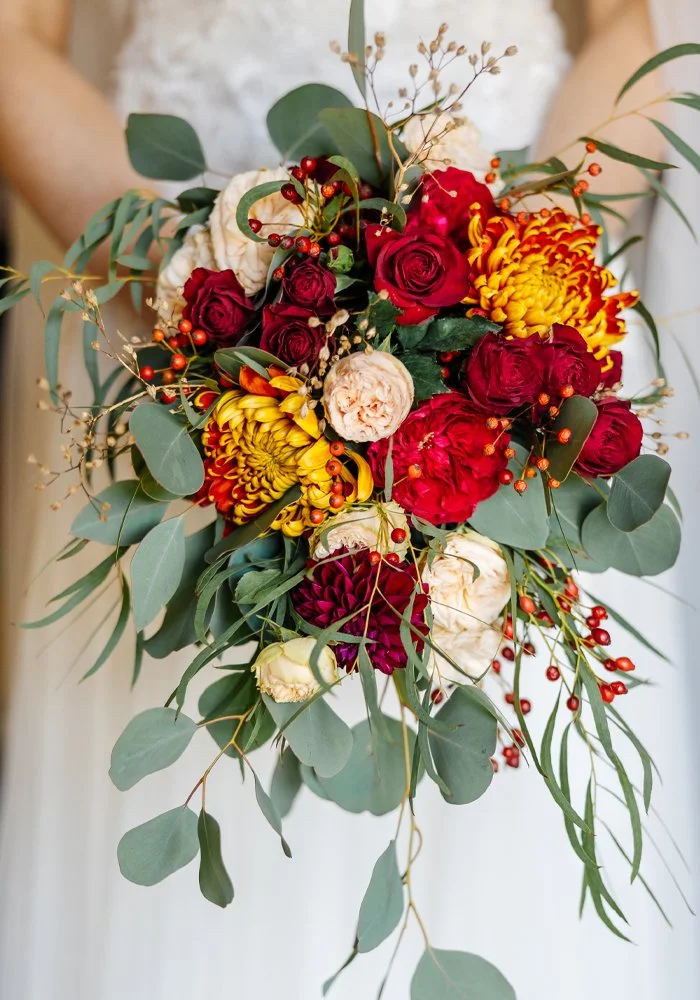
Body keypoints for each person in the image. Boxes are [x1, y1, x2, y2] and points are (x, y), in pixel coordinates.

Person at [0, 2, 697, 998]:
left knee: (506, 825)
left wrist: (515, 295)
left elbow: (635, 21)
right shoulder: (192, 312)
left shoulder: (513, 310)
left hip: (515, 330)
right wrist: (201, 292)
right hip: (179, 349)